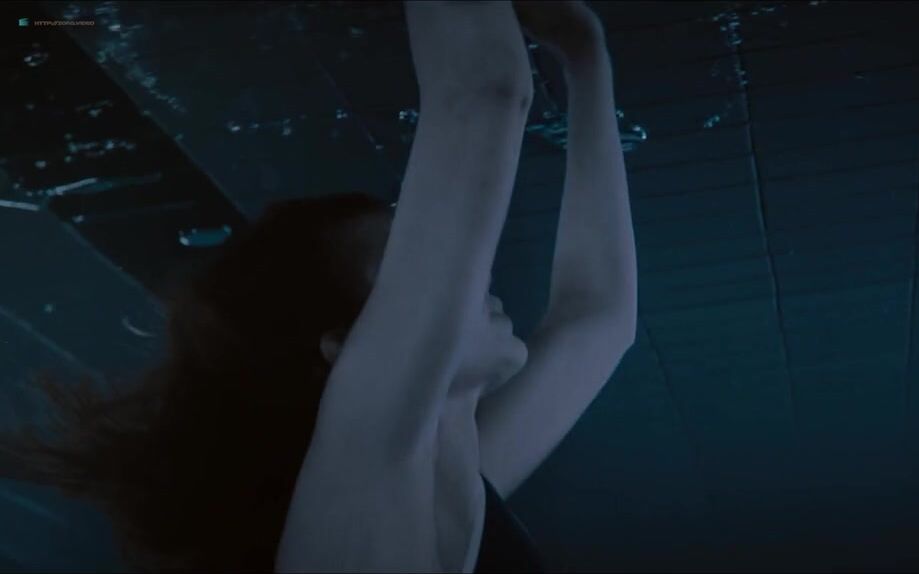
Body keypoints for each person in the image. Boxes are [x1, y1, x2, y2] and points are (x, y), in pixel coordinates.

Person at [0, 1, 636, 572]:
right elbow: (596, 314)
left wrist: (583, 54)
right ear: (341, 348)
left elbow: (593, 313)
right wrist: (581, 53)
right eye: (413, 267)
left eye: (422, 268)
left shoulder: (412, 487)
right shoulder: (376, 496)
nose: (468, 270)